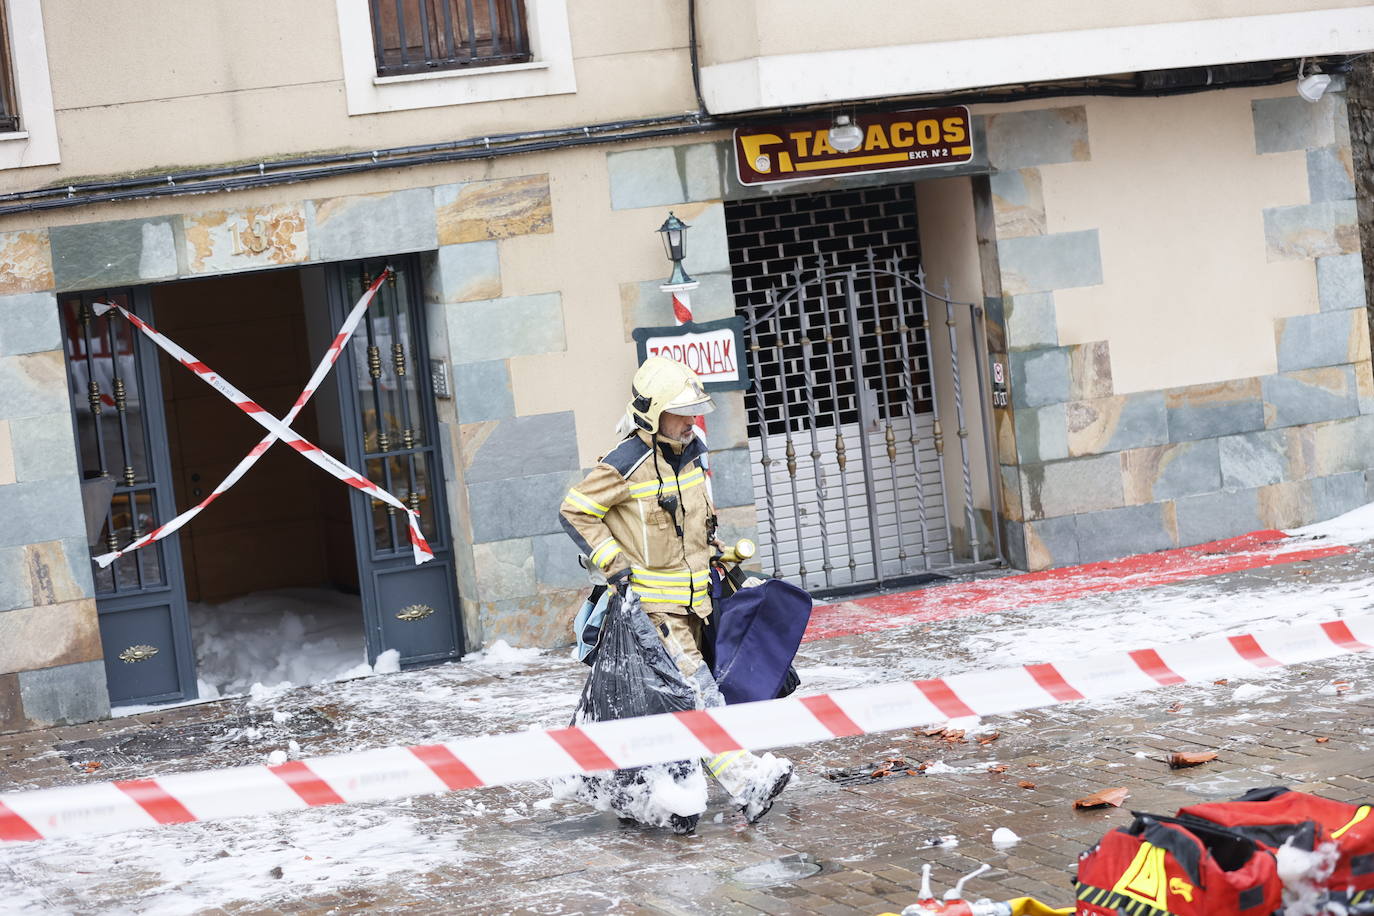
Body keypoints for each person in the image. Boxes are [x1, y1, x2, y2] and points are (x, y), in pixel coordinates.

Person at [559, 356, 793, 832]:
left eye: (692, 411)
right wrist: (613, 564)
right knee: (698, 690)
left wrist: (717, 550)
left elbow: (690, 520)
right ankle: (747, 782)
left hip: (698, 601)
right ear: (652, 413)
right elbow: (575, 510)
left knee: (678, 700)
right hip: (653, 609)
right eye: (680, 412)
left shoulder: (692, 450)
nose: (690, 421)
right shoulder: (626, 463)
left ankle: (657, 793)